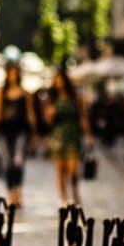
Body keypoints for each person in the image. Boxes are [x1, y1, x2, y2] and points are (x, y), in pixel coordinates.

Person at [0, 63, 37, 206]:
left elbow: (30, 114)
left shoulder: (25, 93)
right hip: (4, 131)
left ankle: (18, 191)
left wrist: (34, 134)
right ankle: (10, 193)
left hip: (21, 131)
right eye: (10, 73)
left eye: (15, 73)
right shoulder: (1, 93)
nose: (13, 76)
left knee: (18, 162)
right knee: (6, 162)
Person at [45, 69, 94, 206]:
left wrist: (89, 135)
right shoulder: (52, 99)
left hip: (73, 135)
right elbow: (47, 121)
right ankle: (63, 198)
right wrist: (50, 113)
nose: (58, 83)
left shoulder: (75, 98)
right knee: (60, 169)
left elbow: (82, 117)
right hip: (58, 135)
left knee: (73, 170)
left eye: (60, 80)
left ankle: (74, 192)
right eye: (56, 80)